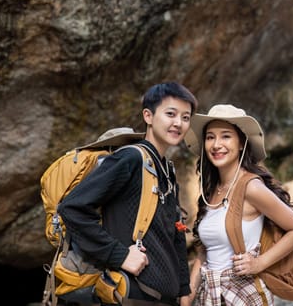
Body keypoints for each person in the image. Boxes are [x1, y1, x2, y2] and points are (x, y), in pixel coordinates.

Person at [58, 82, 198, 306]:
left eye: (185, 117)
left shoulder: (167, 170)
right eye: (170, 114)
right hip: (132, 295)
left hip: (165, 298)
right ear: (148, 116)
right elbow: (72, 208)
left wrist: (183, 290)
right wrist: (120, 255)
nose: (178, 123)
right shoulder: (131, 159)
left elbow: (176, 235)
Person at [184, 104, 293, 305]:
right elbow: (204, 251)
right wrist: (187, 297)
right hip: (210, 296)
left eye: (225, 136)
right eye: (210, 137)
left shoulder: (251, 187)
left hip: (243, 295)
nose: (216, 144)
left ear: (241, 143)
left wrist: (259, 263)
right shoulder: (211, 191)